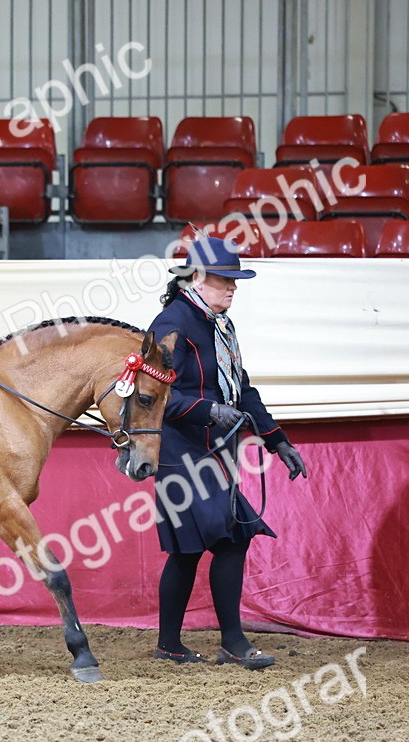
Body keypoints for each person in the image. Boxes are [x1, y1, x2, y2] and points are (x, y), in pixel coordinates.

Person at [147, 236, 307, 670]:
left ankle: (170, 644)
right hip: (182, 454)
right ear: (197, 279)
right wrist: (207, 410)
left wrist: (278, 440)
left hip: (217, 452)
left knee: (191, 550)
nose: (233, 288)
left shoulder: (221, 326)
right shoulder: (171, 323)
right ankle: (232, 642)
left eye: (235, 281)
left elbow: (243, 387)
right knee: (230, 540)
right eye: (225, 280)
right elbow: (156, 395)